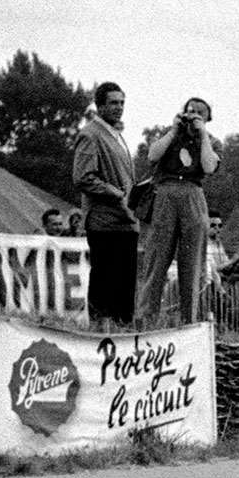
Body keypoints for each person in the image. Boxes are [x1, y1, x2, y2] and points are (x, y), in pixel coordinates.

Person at [136, 96, 218, 324]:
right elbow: (152, 156)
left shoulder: (210, 141)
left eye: (199, 113)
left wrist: (202, 135)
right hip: (165, 192)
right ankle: (146, 319)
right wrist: (174, 130)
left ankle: (189, 320)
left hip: (193, 193)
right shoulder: (169, 136)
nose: (192, 117)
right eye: (189, 112)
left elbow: (209, 166)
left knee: (193, 264)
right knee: (156, 259)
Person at [72, 82, 140, 327]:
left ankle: (121, 336)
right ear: (99, 105)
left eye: (122, 102)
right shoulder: (90, 134)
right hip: (104, 221)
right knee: (104, 283)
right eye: (113, 102)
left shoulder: (117, 134)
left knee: (125, 285)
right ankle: (100, 335)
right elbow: (83, 177)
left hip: (126, 221)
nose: (119, 107)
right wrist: (116, 193)